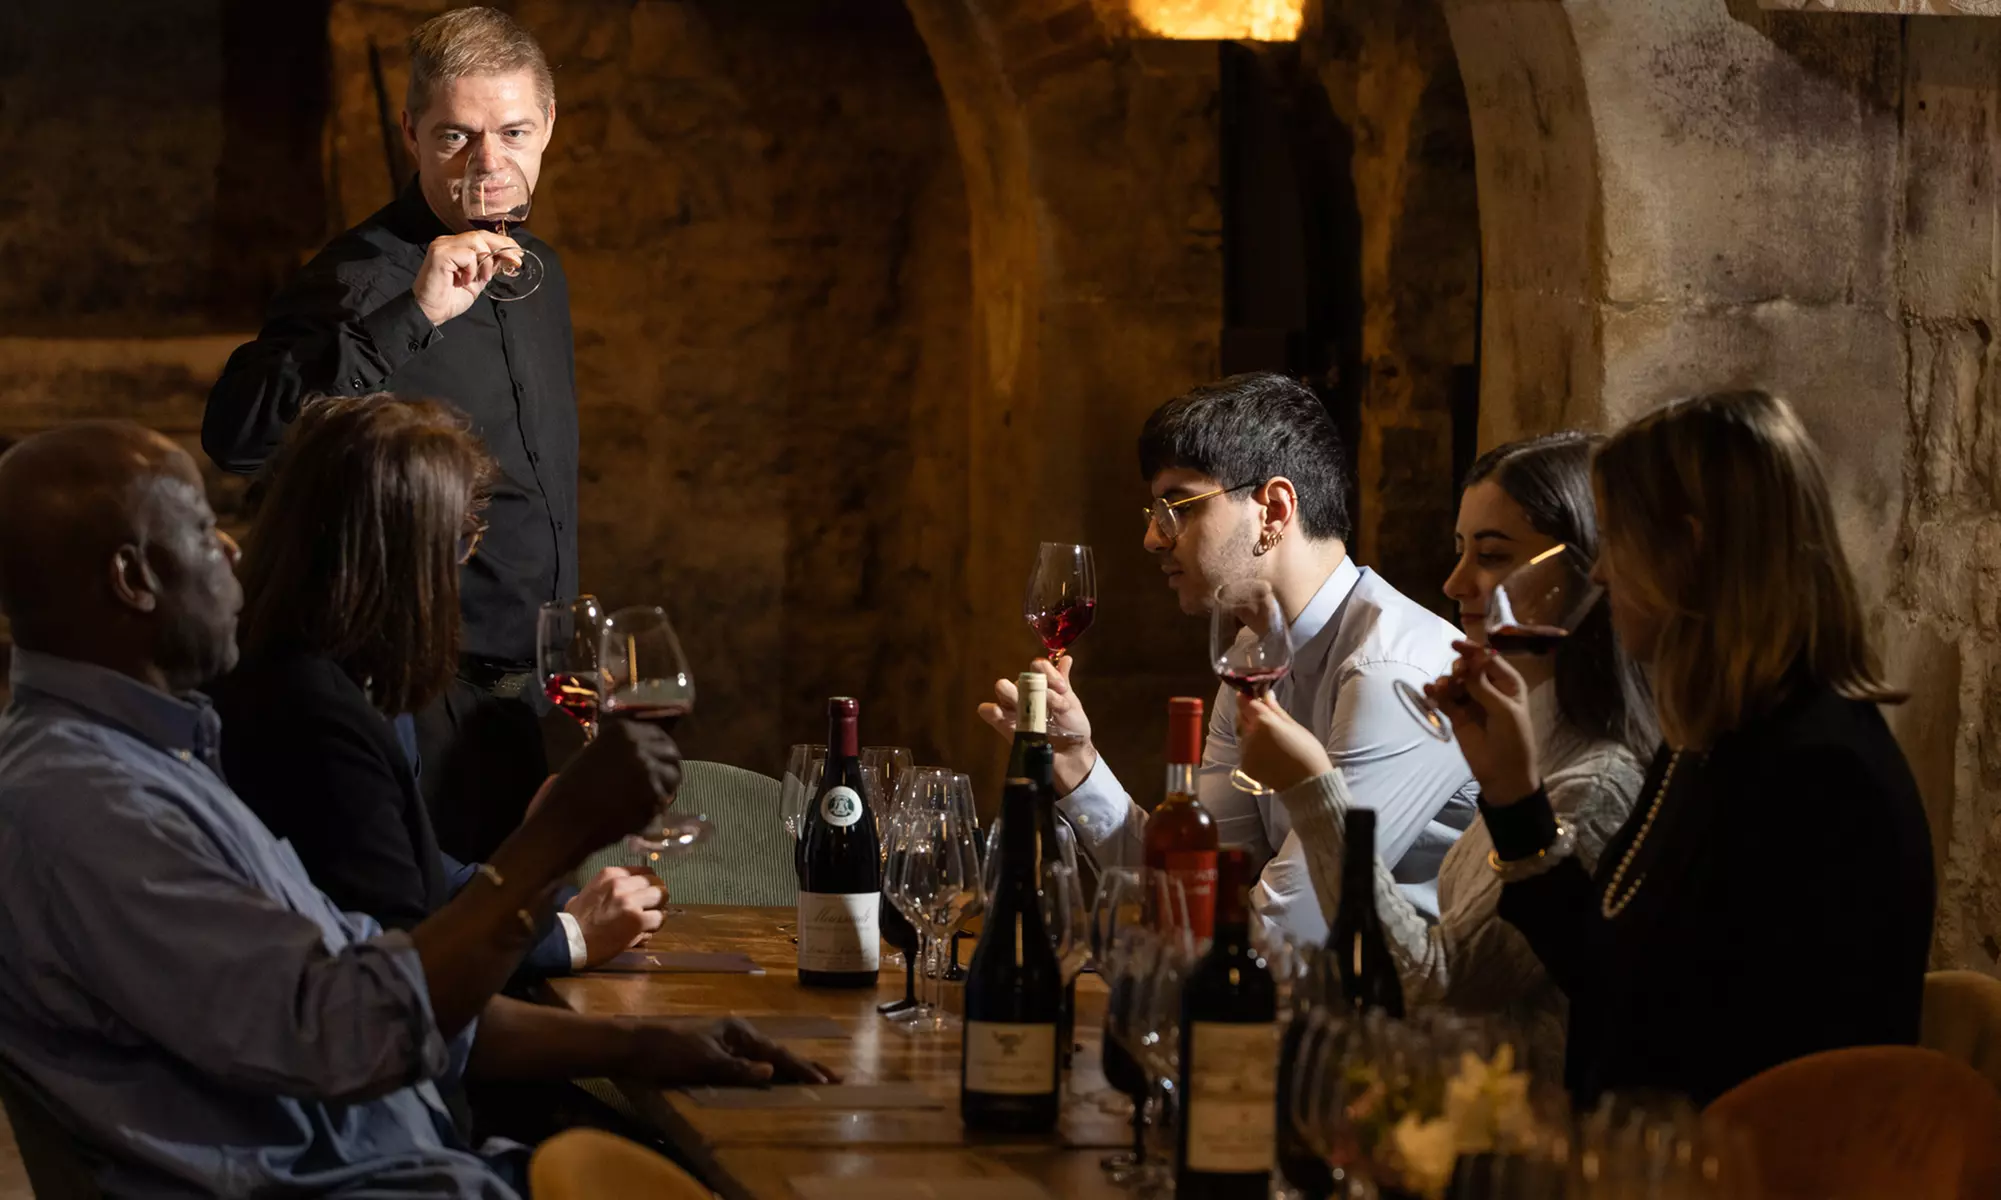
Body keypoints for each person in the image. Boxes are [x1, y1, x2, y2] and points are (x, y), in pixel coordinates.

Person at [0, 422, 831, 1198]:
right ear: (133, 578)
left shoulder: (162, 757)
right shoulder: (93, 805)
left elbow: (378, 985)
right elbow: (353, 1030)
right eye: (198, 528)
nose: (230, 547)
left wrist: (643, 1045)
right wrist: (555, 838)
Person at [1429, 391, 1935, 1105]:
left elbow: (1678, 1036)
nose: (1598, 576)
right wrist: (1514, 799)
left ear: (1688, 547)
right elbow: (1604, 964)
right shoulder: (1711, 739)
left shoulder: (1817, 778)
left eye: (1615, 539)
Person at [204, 6, 575, 863]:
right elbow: (240, 437)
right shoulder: (357, 276)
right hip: (414, 698)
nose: (489, 164)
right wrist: (410, 317)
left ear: (549, 125)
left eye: (513, 130)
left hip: (530, 702)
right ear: (410, 132)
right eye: (456, 136)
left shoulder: (543, 273)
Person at [979, 372, 1480, 937]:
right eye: (1154, 513)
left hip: (1403, 1015)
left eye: (1178, 507)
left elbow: (1292, 924)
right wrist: (1076, 766)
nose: (1152, 539)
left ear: (1272, 509)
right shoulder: (1252, 654)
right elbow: (1195, 880)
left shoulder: (1389, 672)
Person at [1235, 432, 1650, 1074]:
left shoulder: (1594, 785)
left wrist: (1316, 790)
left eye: (1490, 555)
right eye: (1461, 550)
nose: (1456, 582)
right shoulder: (1531, 750)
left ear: (1585, 574)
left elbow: (1433, 980)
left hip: (1522, 1141)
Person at [210, 395, 661, 980]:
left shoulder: (349, 673)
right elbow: (397, 956)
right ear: (398, 555)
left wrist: (554, 905)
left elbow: (415, 866)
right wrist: (562, 913)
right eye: (461, 542)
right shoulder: (305, 710)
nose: (462, 568)